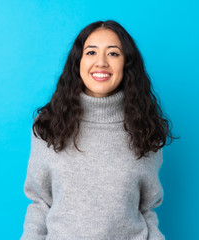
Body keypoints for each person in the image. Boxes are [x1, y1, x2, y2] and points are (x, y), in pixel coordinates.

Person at [20, 20, 176, 240]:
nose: (101, 62)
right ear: (78, 62)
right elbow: (40, 203)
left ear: (127, 64)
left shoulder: (144, 129)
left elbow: (146, 209)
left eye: (113, 54)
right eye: (91, 52)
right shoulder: (49, 125)